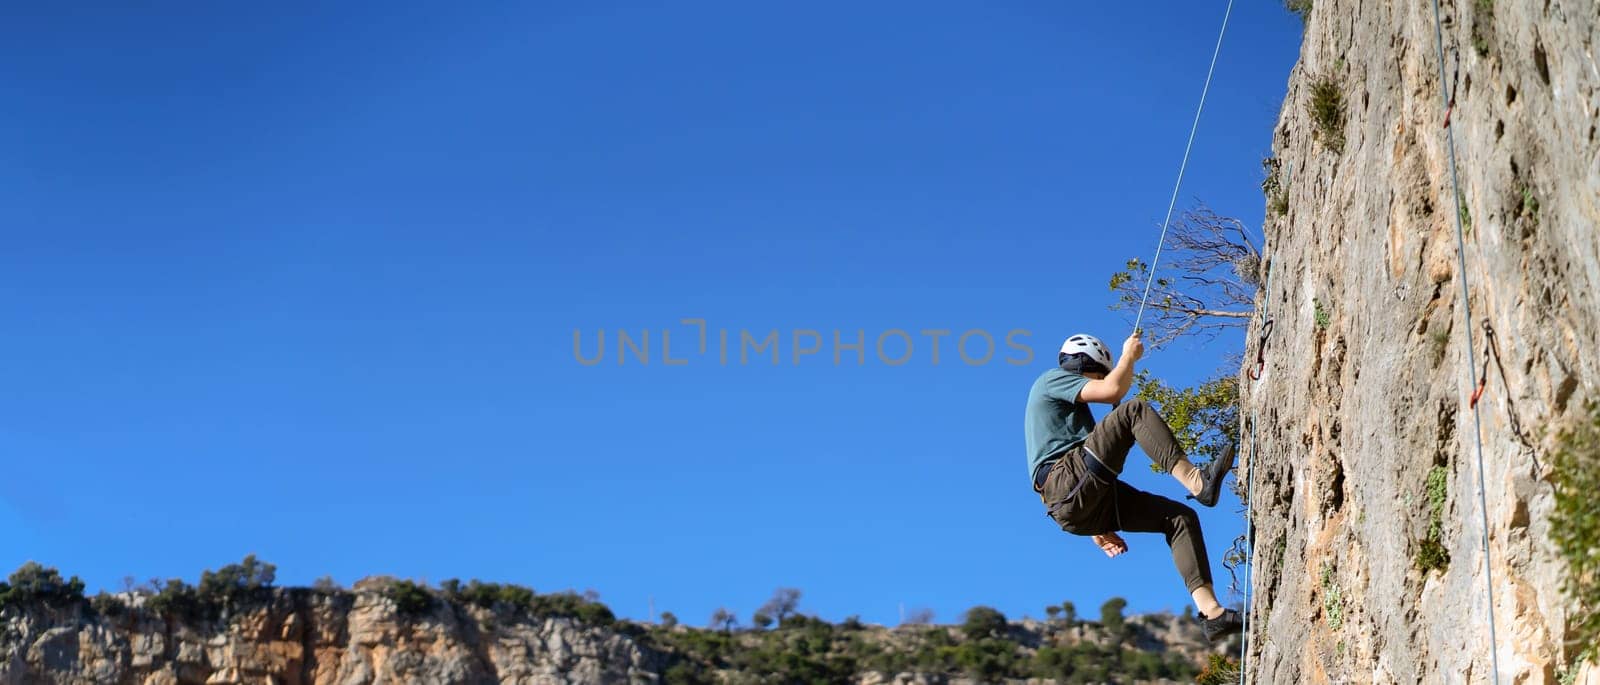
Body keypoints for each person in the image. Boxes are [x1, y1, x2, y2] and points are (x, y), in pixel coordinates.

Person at [1023, 331, 1244, 642]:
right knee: (1133, 409)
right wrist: (1129, 356)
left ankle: (1212, 615)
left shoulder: (1072, 418)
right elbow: (1113, 389)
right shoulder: (1052, 379)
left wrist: (1097, 530)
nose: (1097, 380)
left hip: (1078, 500)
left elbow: (1082, 477)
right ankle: (1198, 482)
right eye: (1096, 373)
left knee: (1180, 519)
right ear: (1082, 363)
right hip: (1065, 481)